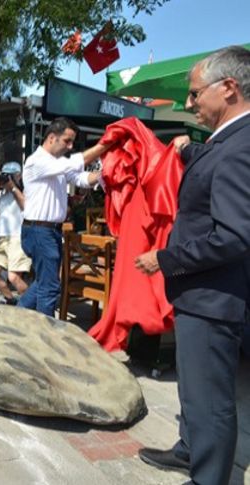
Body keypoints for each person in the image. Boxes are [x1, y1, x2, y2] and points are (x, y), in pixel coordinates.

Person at [134, 46, 250, 485]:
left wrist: (165, 258)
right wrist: (189, 153)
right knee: (195, 391)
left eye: (195, 94)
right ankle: (190, 449)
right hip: (202, 294)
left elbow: (234, 235)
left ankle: (208, 477)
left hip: (212, 297)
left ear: (229, 88)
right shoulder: (229, 140)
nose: (189, 103)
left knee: (212, 400)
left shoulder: (241, 146)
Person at [18, 117, 109, 316]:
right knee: (49, 288)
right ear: (51, 138)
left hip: (46, 231)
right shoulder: (37, 161)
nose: (70, 146)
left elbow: (82, 178)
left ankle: (18, 315)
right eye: (67, 141)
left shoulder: (56, 164)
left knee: (44, 282)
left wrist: (105, 173)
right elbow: (78, 163)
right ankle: (44, 336)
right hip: (39, 230)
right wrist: (105, 144)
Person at [0, 162, 30, 305]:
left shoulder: (25, 190)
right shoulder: (0, 193)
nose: (7, 179)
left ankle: (31, 303)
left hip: (17, 237)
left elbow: (26, 207)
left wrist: (13, 188)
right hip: (2, 238)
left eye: (11, 175)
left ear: (19, 175)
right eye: (5, 175)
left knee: (14, 277)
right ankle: (10, 299)